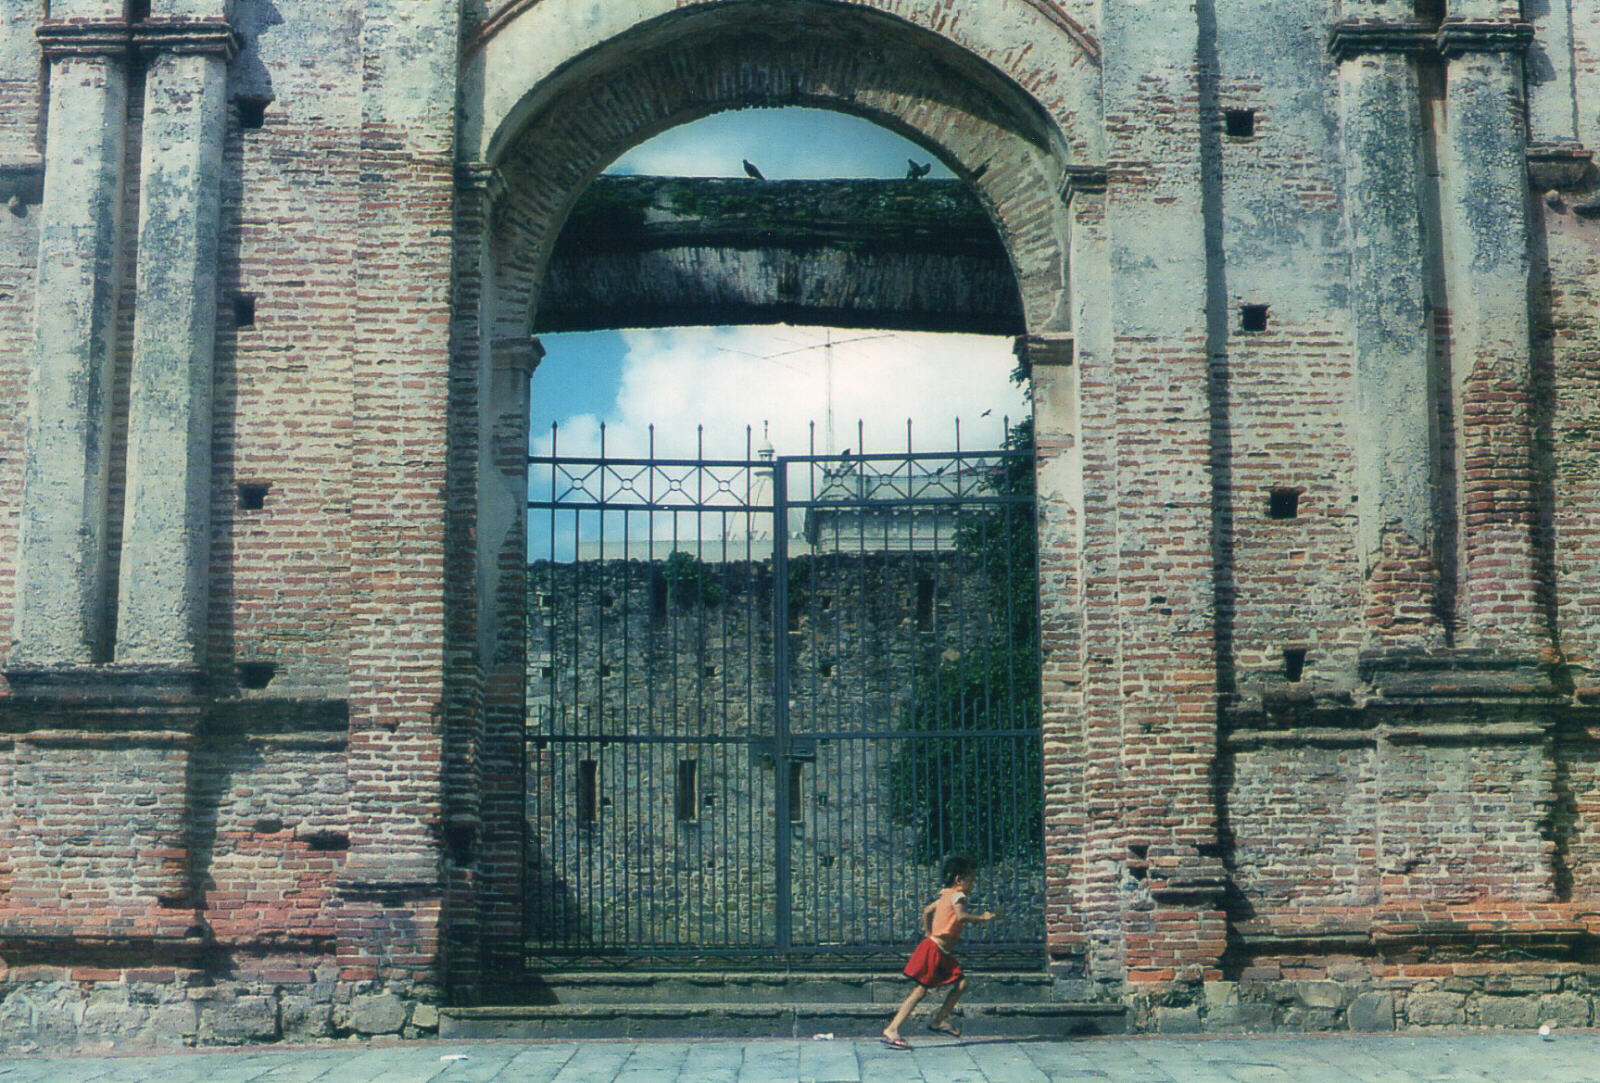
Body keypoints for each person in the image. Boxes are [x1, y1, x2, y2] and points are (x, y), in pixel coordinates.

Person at [880, 853, 997, 1049]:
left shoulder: (946, 895)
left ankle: (938, 1020)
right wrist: (982, 918)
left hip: (939, 950)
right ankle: (893, 1028)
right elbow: (960, 917)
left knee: (961, 984)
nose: (973, 884)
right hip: (935, 950)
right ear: (959, 879)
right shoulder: (958, 896)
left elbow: (926, 911)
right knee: (920, 991)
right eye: (971, 880)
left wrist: (928, 933)